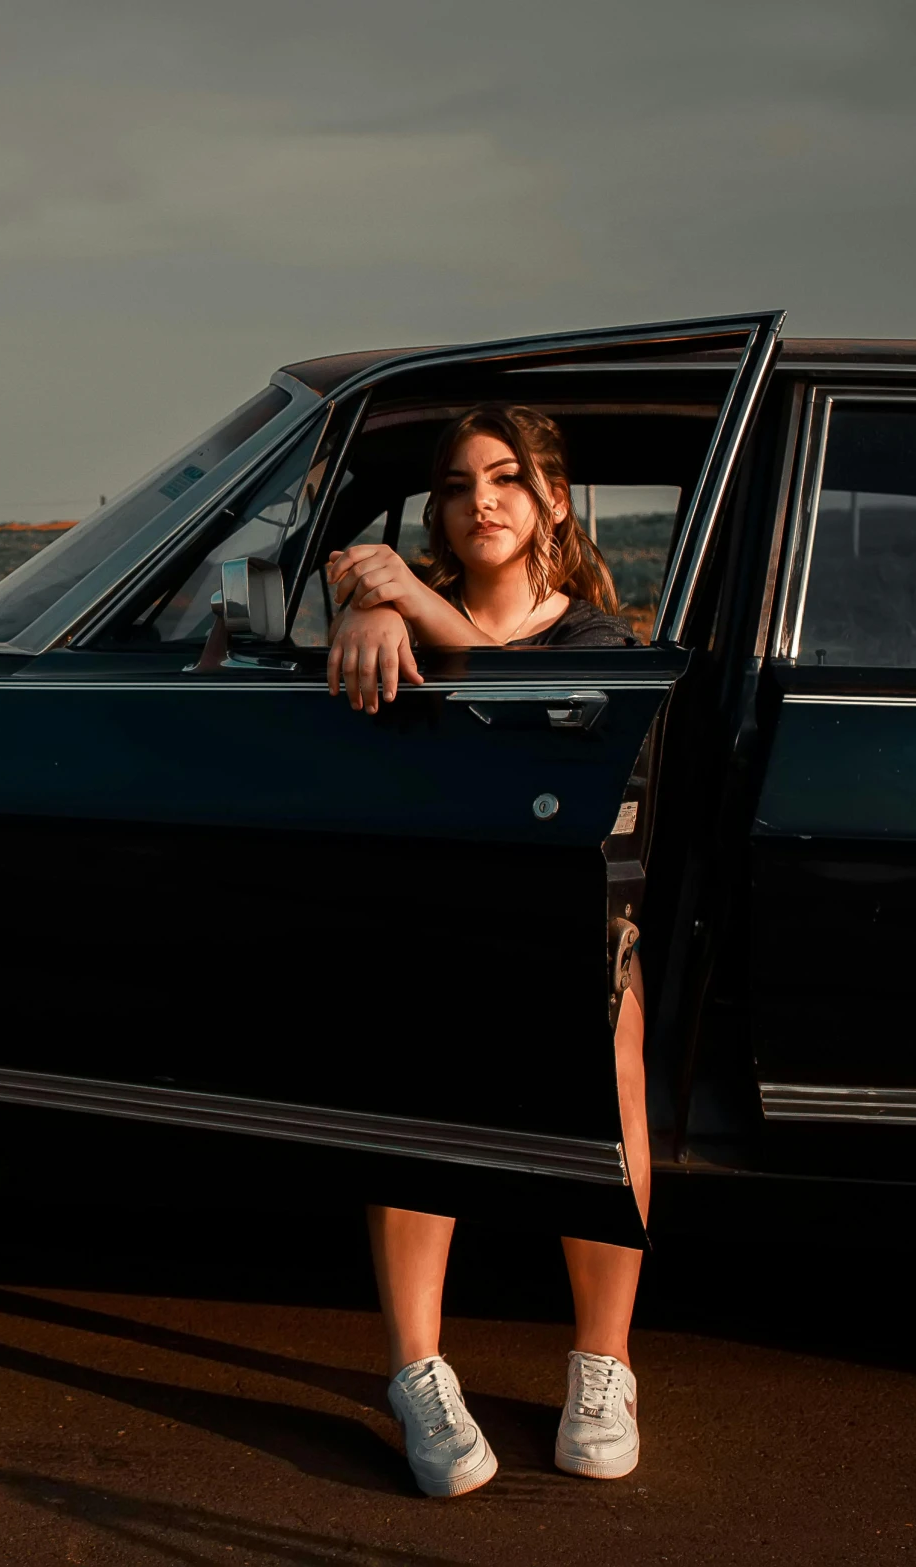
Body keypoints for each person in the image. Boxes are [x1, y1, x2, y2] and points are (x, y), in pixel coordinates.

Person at [324, 404, 651, 1498]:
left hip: (568, 919)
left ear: (553, 498)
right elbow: (321, 592)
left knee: (612, 1056)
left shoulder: (600, 637)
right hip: (437, 914)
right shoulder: (402, 619)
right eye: (459, 485)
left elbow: (534, 707)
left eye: (506, 478)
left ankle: (603, 1364)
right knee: (414, 1081)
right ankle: (417, 1373)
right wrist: (362, 606)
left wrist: (402, 599)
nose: (483, 501)